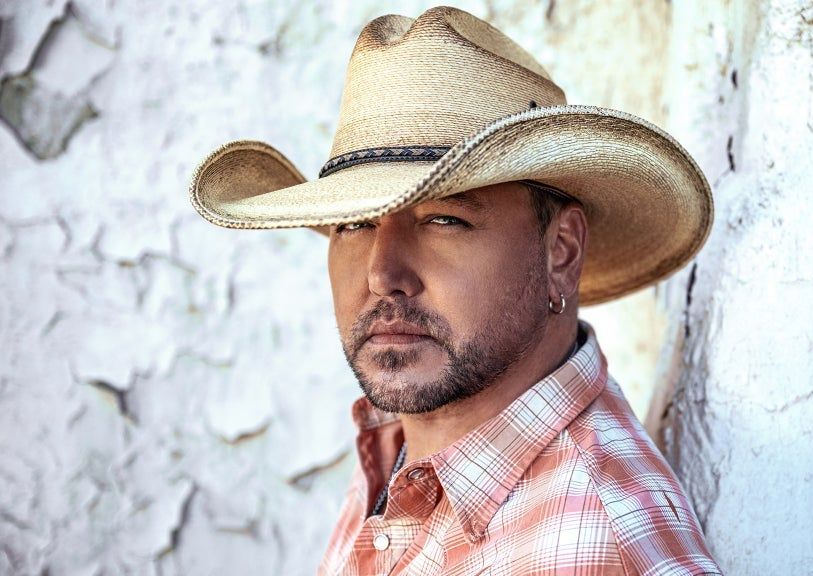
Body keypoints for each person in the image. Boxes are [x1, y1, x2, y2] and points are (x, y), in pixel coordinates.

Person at [189, 6, 721, 575]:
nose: (382, 274)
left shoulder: (593, 548)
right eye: (354, 223)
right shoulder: (404, 447)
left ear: (561, 251)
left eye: (444, 220)